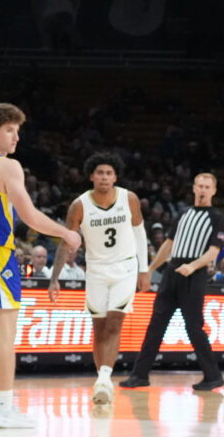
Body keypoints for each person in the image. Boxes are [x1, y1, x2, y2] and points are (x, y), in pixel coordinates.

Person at [0, 104, 80, 428]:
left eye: (18, 130)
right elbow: (29, 216)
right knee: (5, 333)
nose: (16, 137)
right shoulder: (8, 166)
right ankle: (5, 406)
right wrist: (64, 232)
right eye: (10, 130)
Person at [49, 152, 149, 406]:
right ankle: (101, 378)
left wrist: (143, 269)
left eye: (109, 173)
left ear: (115, 177)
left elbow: (139, 233)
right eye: (100, 173)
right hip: (95, 270)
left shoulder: (129, 199)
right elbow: (66, 240)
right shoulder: (79, 205)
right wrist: (54, 277)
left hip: (125, 268)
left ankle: (104, 379)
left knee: (115, 323)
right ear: (92, 176)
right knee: (99, 328)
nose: (105, 177)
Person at [120, 173, 224, 391]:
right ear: (194, 188)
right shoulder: (183, 214)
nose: (203, 190)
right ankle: (140, 375)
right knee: (155, 325)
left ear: (214, 191)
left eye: (207, 187)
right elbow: (168, 245)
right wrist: (149, 269)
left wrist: (193, 266)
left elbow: (213, 252)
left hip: (193, 275)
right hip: (172, 272)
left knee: (194, 327)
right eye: (199, 186)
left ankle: (213, 376)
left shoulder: (217, 217)